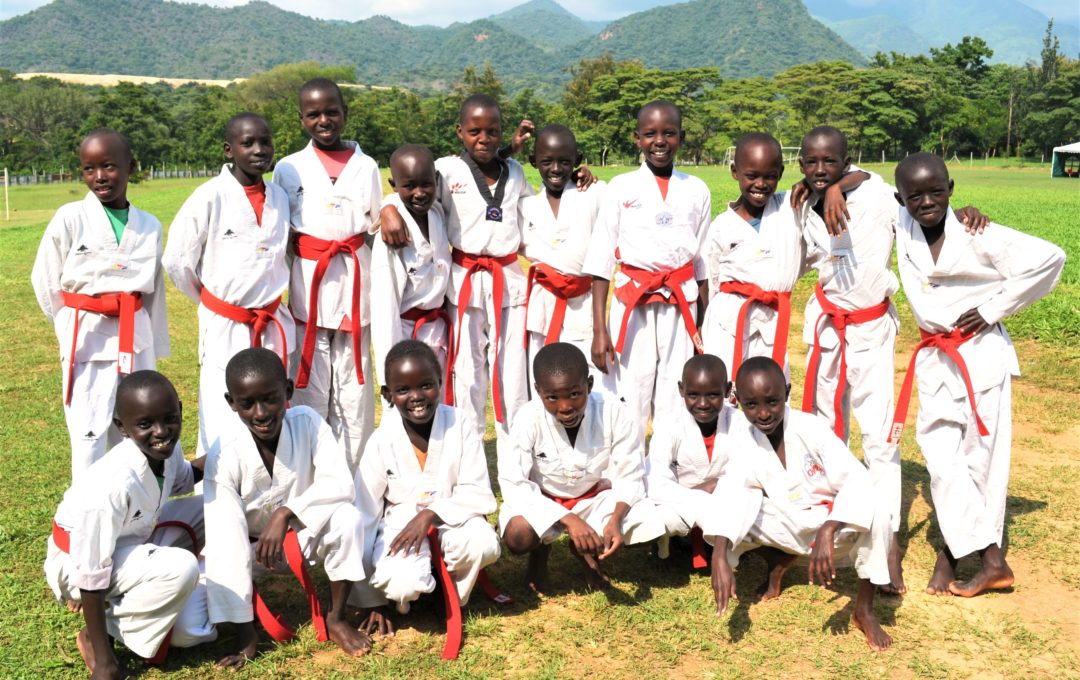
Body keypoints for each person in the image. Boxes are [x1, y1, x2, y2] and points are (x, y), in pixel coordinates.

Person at [794, 126, 989, 594]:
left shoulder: (877, 196)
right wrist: (824, 188)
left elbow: (919, 202)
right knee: (824, 429)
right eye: (811, 163)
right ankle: (831, 530)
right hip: (826, 327)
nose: (821, 171)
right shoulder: (798, 201)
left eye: (831, 163)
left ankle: (887, 544)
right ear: (800, 164)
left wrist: (964, 216)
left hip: (870, 329)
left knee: (880, 437)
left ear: (846, 162)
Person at [891, 153, 1064, 598]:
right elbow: (862, 183)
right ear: (901, 198)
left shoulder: (976, 232)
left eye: (936, 191)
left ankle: (961, 558)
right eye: (915, 196)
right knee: (940, 458)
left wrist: (991, 310)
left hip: (980, 356)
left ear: (951, 188)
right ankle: (985, 558)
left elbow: (1050, 258)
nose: (927, 202)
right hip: (936, 359)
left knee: (981, 461)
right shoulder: (902, 223)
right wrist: (832, 188)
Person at [378, 94, 534, 456]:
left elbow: (537, 208)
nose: (484, 138)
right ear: (459, 132)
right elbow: (412, 189)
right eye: (475, 131)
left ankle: (518, 459)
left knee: (512, 374)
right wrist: (387, 206)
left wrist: (578, 175)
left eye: (493, 131)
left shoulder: (517, 173)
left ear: (502, 133)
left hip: (507, 280)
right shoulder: (447, 170)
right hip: (463, 281)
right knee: (466, 375)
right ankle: (468, 456)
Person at [708, 357, 894, 651]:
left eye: (772, 401)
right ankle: (778, 560)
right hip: (788, 521)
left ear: (787, 392)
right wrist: (719, 553)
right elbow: (734, 493)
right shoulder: (744, 440)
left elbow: (855, 480)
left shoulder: (812, 428)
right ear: (738, 401)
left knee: (878, 511)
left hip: (830, 523)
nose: (764, 413)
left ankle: (864, 610)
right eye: (751, 405)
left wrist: (830, 527)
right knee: (724, 515)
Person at [203, 348, 372, 668]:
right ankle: (241, 620)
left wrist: (285, 513)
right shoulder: (224, 452)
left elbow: (340, 484)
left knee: (348, 518)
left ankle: (336, 616)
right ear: (230, 403)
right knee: (197, 615)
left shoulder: (307, 422)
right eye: (247, 403)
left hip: (303, 537)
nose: (261, 412)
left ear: (289, 391)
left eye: (270, 398)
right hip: (252, 552)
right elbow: (225, 538)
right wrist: (246, 636)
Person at [45, 371, 214, 678]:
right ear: (122, 427)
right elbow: (90, 569)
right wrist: (104, 659)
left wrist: (231, 447)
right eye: (145, 424)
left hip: (128, 542)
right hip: (77, 562)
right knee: (182, 568)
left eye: (169, 418)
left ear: (179, 409)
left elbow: (186, 478)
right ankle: (102, 634)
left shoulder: (167, 448)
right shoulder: (112, 484)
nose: (161, 432)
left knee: (210, 509)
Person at [32, 129, 169, 478]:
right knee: (89, 436)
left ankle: (138, 513)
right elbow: (46, 281)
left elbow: (152, 292)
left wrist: (150, 343)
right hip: (86, 342)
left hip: (134, 340)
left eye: (108, 166)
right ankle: (86, 521)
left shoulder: (150, 226)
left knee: (139, 431)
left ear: (130, 166)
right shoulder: (70, 217)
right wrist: (68, 326)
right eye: (89, 169)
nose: (99, 177)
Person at [163, 112, 292, 457]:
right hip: (226, 324)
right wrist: (211, 301)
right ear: (228, 149)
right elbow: (177, 260)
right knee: (224, 414)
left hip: (272, 319)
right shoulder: (209, 196)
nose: (258, 149)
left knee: (271, 411)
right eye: (247, 143)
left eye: (265, 141)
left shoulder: (279, 196)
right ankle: (216, 497)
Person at [272, 78, 383, 470]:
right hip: (308, 292)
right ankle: (312, 474)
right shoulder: (288, 168)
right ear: (301, 119)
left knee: (356, 389)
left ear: (345, 113)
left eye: (331, 111)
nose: (324, 120)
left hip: (355, 287)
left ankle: (355, 477)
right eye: (314, 114)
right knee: (309, 387)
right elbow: (279, 232)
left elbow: (375, 226)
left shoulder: (366, 166)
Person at [585, 100, 711, 438]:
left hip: (681, 305)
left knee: (676, 389)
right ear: (636, 138)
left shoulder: (696, 189)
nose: (660, 141)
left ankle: (668, 472)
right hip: (633, 303)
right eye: (650, 134)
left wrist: (703, 322)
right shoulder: (621, 188)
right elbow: (600, 263)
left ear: (681, 138)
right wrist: (600, 330)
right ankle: (627, 472)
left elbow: (702, 266)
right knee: (630, 390)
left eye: (669, 133)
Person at [701, 133, 870, 382]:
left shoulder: (792, 205)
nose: (761, 184)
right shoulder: (721, 226)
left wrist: (836, 188)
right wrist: (703, 326)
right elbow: (710, 279)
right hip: (727, 324)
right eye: (751, 176)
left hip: (773, 322)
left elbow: (862, 175)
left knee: (773, 394)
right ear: (735, 172)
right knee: (726, 393)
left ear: (780, 173)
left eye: (769, 176)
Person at [352, 340, 500, 623]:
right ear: (387, 394)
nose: (417, 397)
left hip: (454, 519)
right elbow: (365, 515)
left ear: (441, 382)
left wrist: (431, 515)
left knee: (484, 543)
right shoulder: (381, 440)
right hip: (401, 528)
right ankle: (411, 598)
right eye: (403, 390)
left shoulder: (459, 423)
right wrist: (372, 602)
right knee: (401, 584)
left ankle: (452, 594)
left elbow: (479, 492)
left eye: (425, 385)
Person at [499, 342, 665, 592]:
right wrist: (568, 520)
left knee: (645, 521)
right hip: (544, 501)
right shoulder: (527, 418)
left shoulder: (613, 411)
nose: (565, 407)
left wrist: (615, 521)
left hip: (592, 499)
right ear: (538, 391)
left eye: (575, 394)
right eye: (552, 397)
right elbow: (515, 484)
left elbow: (630, 473)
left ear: (589, 385)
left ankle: (586, 551)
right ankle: (540, 553)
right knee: (518, 535)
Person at [648, 354, 752, 564]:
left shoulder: (741, 424)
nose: (703, 403)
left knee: (752, 500)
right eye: (693, 395)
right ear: (681, 390)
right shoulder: (669, 425)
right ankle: (677, 543)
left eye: (713, 395)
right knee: (655, 515)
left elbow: (747, 473)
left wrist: (719, 486)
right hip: (680, 504)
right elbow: (656, 482)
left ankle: (725, 544)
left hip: (725, 502)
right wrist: (703, 492)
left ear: (728, 389)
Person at [520, 124, 604, 379]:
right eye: (547, 161)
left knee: (588, 379)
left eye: (565, 162)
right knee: (542, 377)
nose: (556, 169)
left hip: (584, 303)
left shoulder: (595, 194)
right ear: (533, 161)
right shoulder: (524, 205)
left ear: (577, 161)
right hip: (542, 308)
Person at [370, 144, 452, 375]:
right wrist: (390, 369)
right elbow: (384, 307)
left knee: (440, 401)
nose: (419, 192)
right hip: (404, 333)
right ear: (394, 186)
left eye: (426, 184)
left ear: (436, 180)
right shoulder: (391, 234)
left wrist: (388, 205)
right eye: (409, 186)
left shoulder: (437, 213)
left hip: (438, 331)